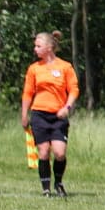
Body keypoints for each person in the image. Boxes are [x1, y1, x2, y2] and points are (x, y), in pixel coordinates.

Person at [20, 30, 79, 197]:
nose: (35, 49)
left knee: (60, 153)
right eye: (35, 46)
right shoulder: (34, 69)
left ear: (49, 47)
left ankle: (58, 183)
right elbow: (27, 93)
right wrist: (25, 114)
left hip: (58, 116)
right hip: (39, 114)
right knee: (44, 152)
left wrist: (66, 108)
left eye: (38, 46)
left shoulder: (65, 67)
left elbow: (74, 89)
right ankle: (46, 188)